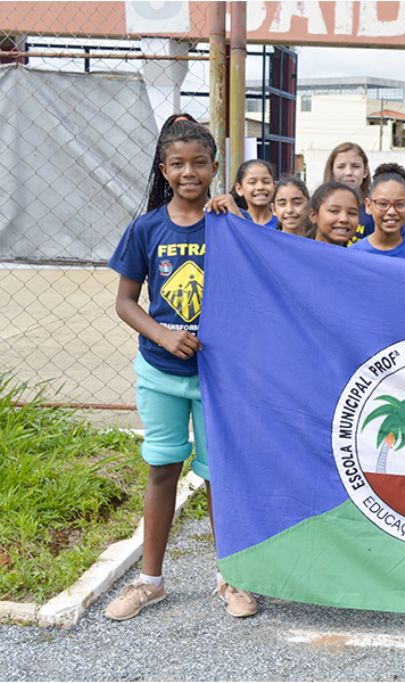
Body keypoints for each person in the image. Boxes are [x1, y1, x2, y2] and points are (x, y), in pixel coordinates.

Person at [105, 119, 257, 621]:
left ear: (216, 168)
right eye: (178, 163)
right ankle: (151, 581)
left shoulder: (227, 222)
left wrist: (238, 217)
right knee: (163, 468)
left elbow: (263, 272)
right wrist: (163, 335)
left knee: (219, 477)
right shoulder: (146, 228)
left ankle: (229, 577)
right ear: (164, 169)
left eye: (199, 162)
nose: (189, 171)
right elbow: (126, 302)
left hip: (218, 379)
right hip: (159, 372)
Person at [350, 163, 405, 262]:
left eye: (399, 204)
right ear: (368, 205)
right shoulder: (353, 255)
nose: (391, 211)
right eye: (383, 204)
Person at [323, 141, 375, 242]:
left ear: (365, 172)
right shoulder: (319, 207)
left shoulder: (375, 209)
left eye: (355, 166)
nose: (348, 172)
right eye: (341, 166)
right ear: (332, 171)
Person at [310, 180, 362, 247]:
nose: (344, 219)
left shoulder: (361, 256)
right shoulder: (297, 255)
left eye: (352, 213)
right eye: (334, 211)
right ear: (314, 216)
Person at [231, 159, 279, 229]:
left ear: (274, 187)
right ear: (239, 189)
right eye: (252, 182)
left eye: (266, 182)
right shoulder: (233, 224)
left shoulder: (283, 225)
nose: (260, 187)